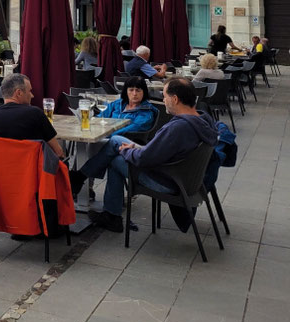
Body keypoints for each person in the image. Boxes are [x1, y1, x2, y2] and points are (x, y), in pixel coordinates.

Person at [83, 77, 218, 232]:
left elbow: (144, 159)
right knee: (117, 141)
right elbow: (156, 152)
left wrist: (129, 151)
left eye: (165, 96)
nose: (163, 99)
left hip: (168, 181)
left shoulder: (179, 128)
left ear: (174, 99)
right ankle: (103, 205)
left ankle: (110, 213)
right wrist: (135, 147)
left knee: (115, 158)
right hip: (187, 178)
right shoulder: (203, 120)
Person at [0, 74, 64, 159]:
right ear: (19, 93)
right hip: (31, 170)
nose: (32, 95)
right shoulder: (35, 114)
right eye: (29, 91)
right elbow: (58, 152)